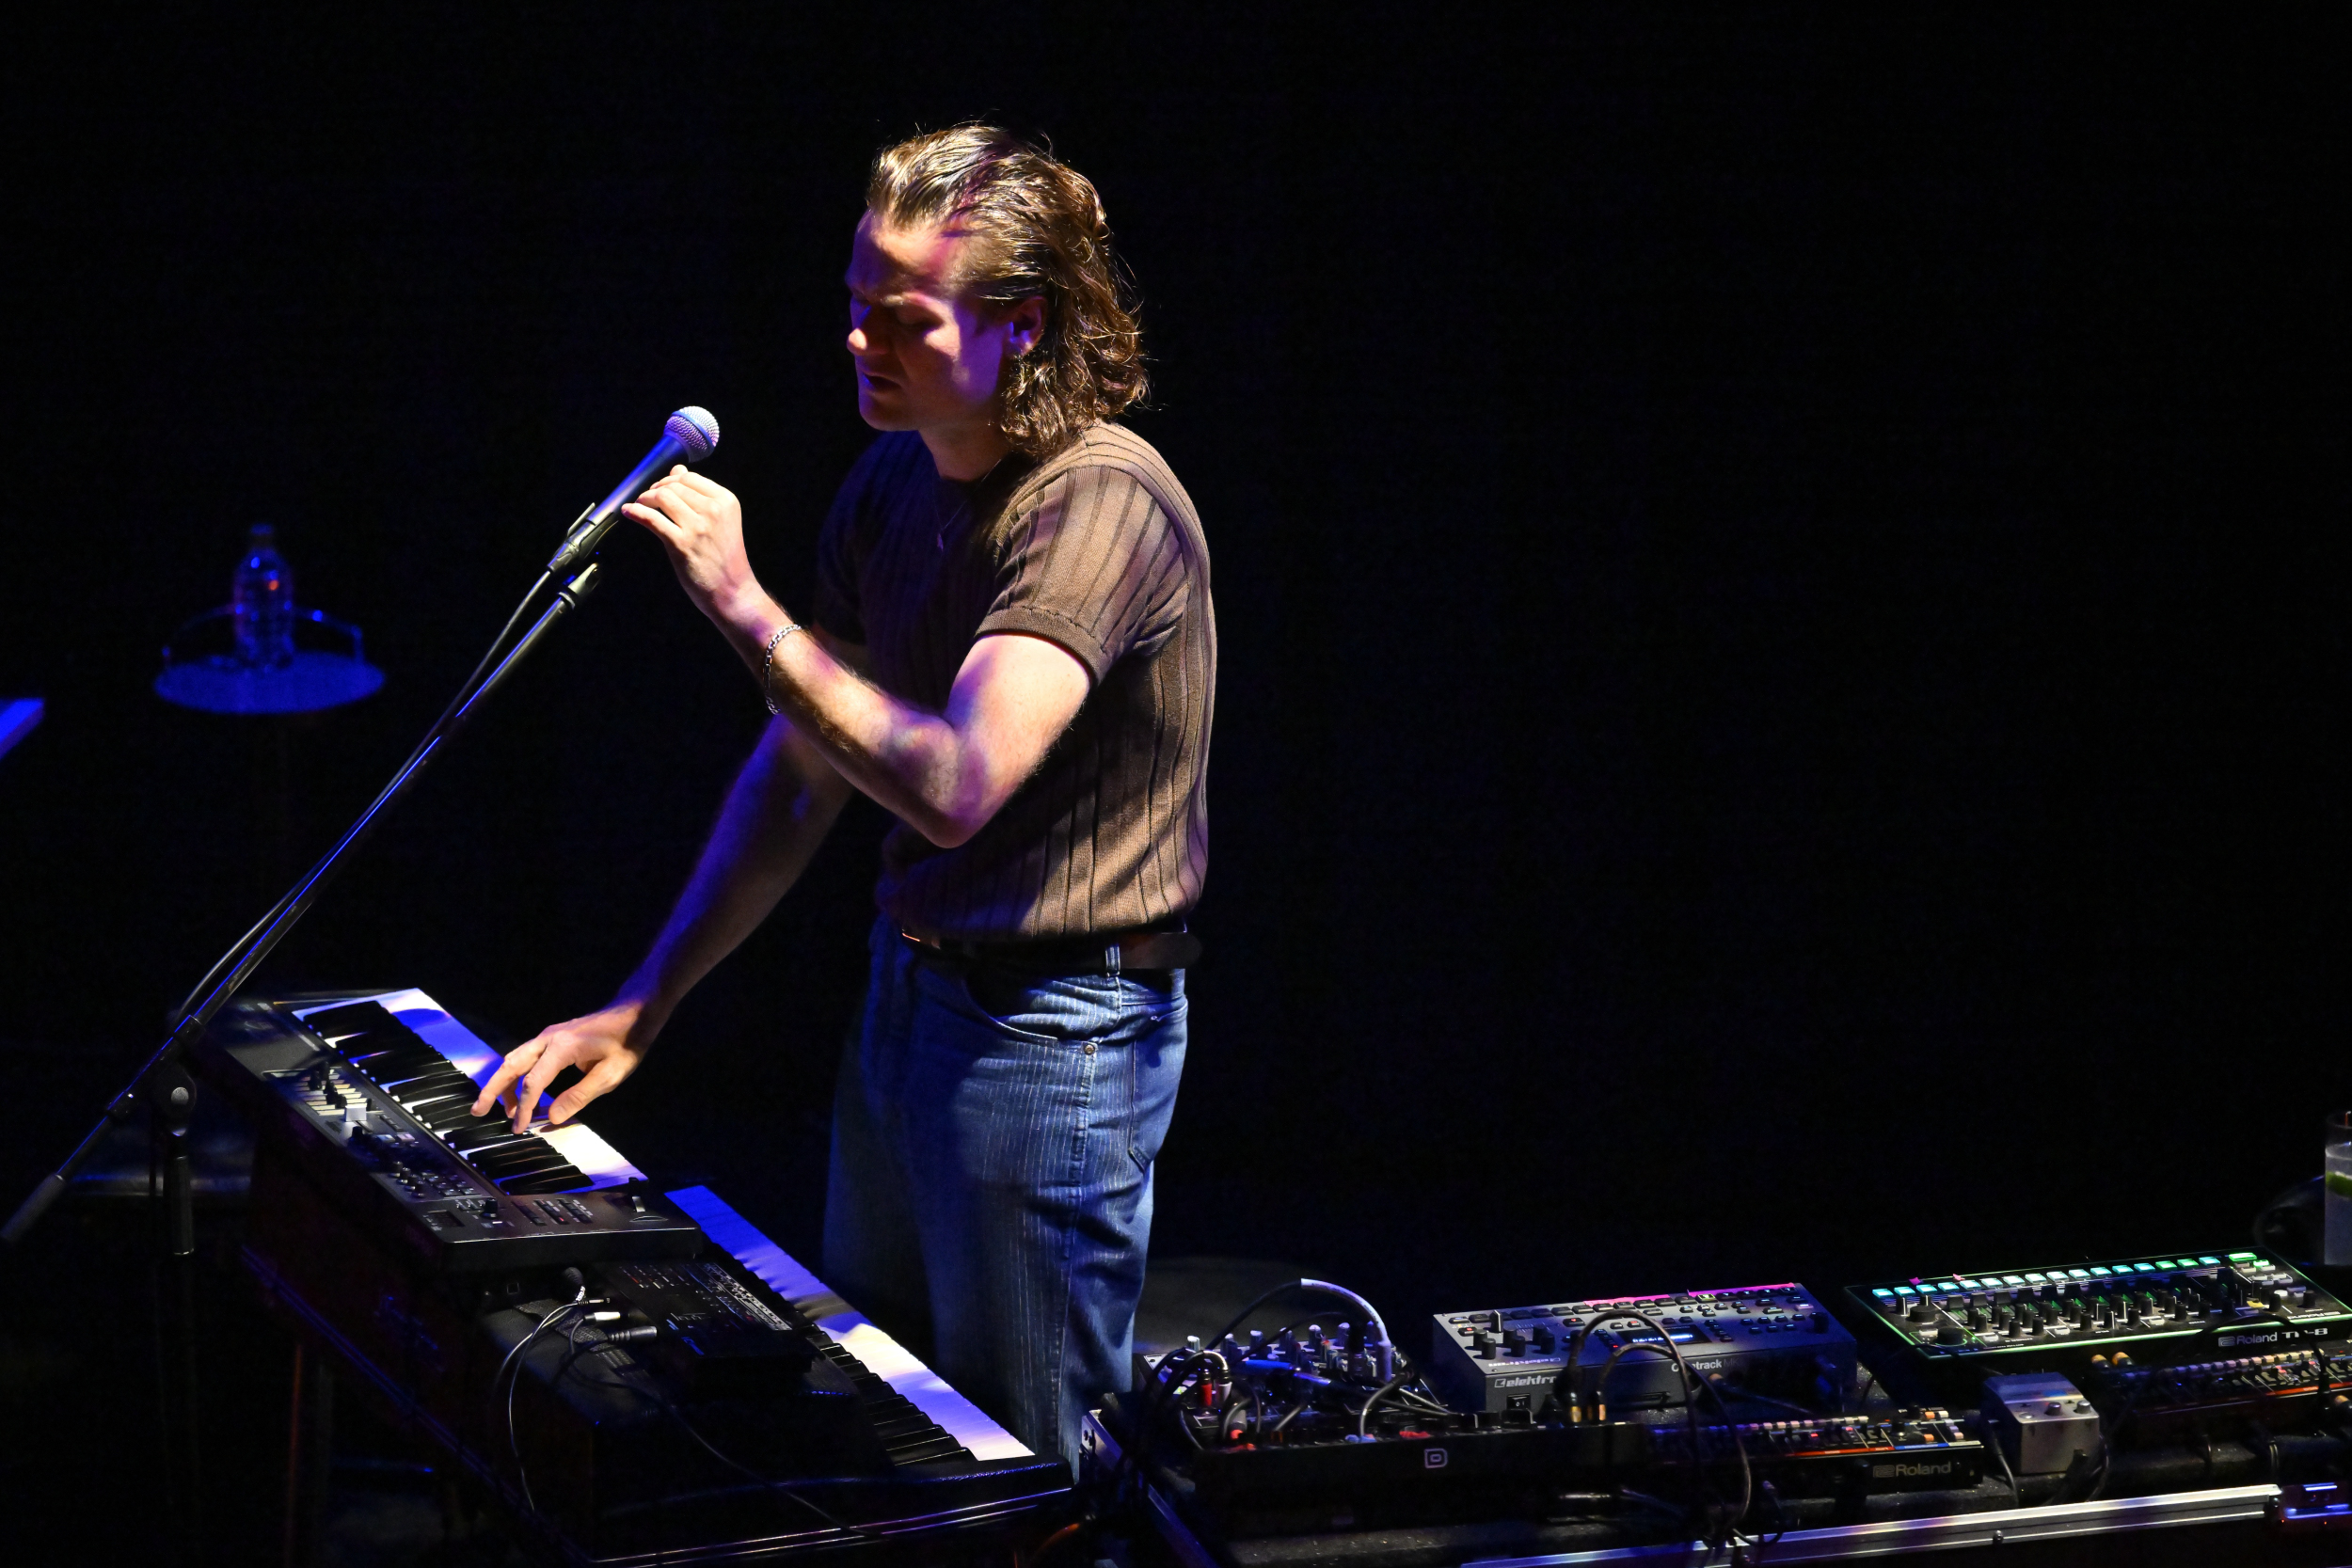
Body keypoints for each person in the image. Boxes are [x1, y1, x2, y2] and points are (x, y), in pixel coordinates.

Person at [470, 125, 1213, 1466]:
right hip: (911, 989)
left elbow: (956, 787)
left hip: (1054, 1032)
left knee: (1033, 1459)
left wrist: (745, 609)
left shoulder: (1100, 507)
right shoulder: (894, 479)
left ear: (1024, 324)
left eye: (905, 317)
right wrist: (648, 1001)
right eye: (856, 303)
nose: (862, 341)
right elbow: (805, 772)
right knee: (888, 1414)